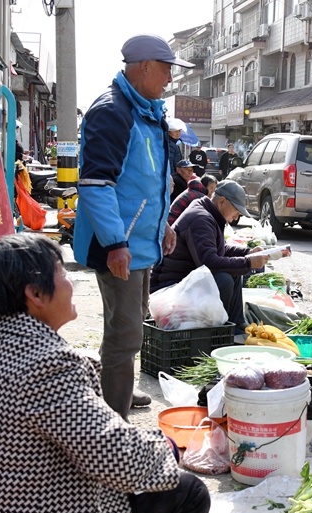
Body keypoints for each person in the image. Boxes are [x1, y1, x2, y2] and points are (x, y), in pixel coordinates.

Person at [0, 233, 210, 513]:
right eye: (61, 273)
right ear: (35, 293)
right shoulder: (45, 365)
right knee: (189, 492)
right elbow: (118, 459)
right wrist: (167, 447)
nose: (71, 281)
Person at [74, 34, 192, 419]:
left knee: (133, 325)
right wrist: (115, 242)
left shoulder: (149, 112)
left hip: (141, 243)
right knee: (123, 334)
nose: (170, 79)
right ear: (143, 67)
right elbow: (96, 184)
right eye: (166, 69)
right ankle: (114, 418)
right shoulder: (112, 111)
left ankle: (119, 388)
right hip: (118, 247)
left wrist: (164, 227)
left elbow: (151, 182)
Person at [150, 181, 275, 330]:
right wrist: (248, 262)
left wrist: (247, 253)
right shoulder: (201, 218)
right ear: (222, 202)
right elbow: (210, 263)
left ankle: (236, 325)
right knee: (224, 279)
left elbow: (218, 249)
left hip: (186, 282)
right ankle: (217, 332)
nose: (236, 218)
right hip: (169, 288)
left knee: (234, 270)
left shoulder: (208, 212)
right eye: (236, 211)